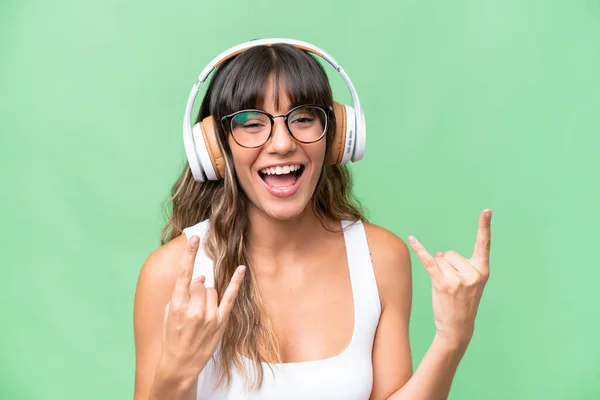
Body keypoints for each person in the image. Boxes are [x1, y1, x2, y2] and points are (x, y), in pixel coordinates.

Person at [133, 40, 492, 400]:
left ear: (336, 138)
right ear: (215, 148)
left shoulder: (379, 257)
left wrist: (451, 339)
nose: (282, 144)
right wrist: (176, 373)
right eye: (252, 123)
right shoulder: (171, 274)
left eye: (303, 118)